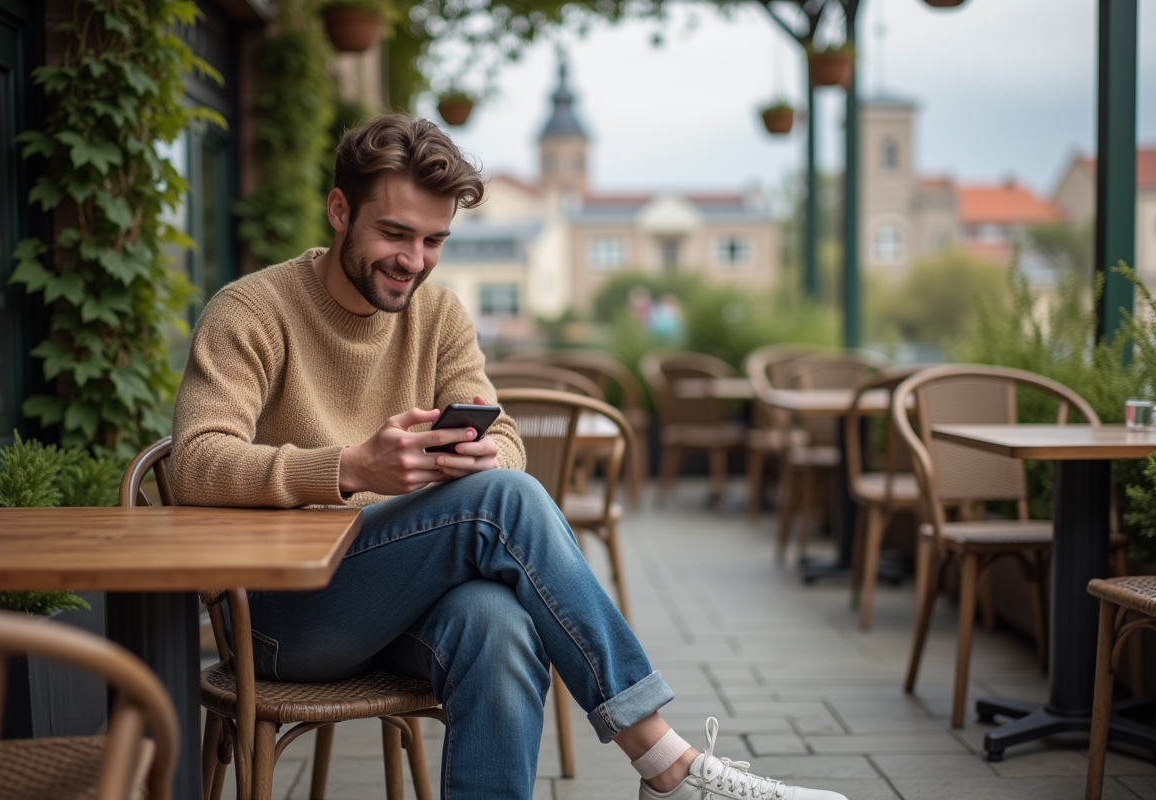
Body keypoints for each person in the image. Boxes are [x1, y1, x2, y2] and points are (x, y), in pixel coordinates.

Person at [170, 114, 847, 800]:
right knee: (506, 505)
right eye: (395, 234)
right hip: (281, 618)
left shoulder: (439, 316)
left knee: (498, 627)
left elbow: (509, 440)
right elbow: (195, 462)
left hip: (400, 601)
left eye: (435, 240)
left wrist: (482, 458)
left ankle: (665, 767)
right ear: (339, 209)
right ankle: (665, 764)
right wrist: (350, 468)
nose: (414, 260)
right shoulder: (251, 310)